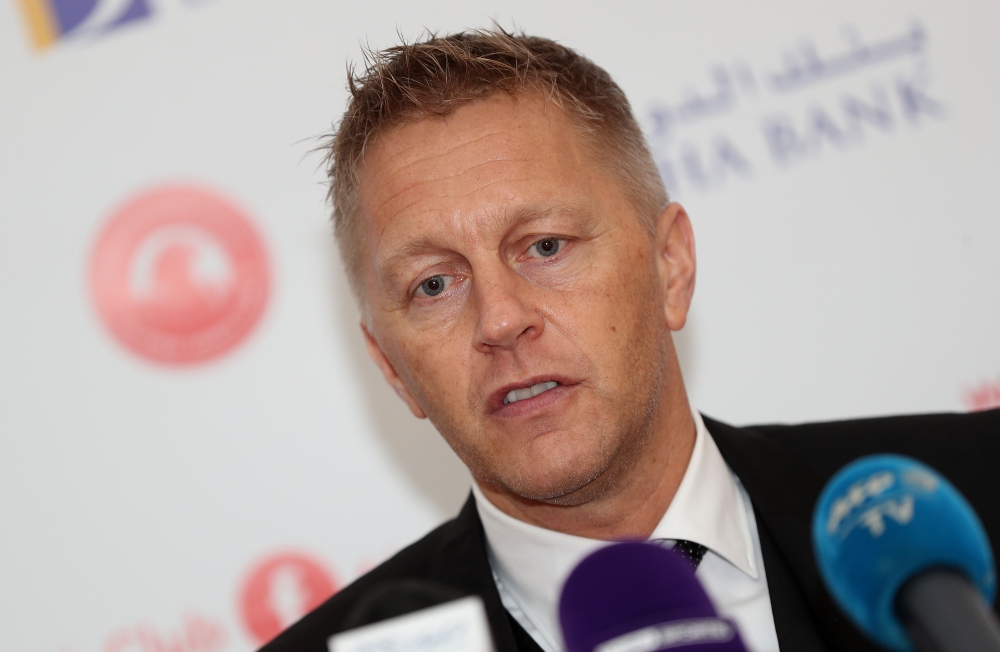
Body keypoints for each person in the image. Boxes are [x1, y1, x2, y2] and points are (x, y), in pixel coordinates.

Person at [261, 28, 1000, 652]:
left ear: (670, 264)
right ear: (390, 367)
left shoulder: (976, 503)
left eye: (545, 246)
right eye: (434, 284)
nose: (499, 320)